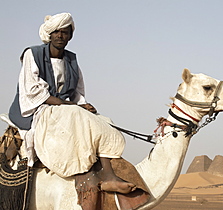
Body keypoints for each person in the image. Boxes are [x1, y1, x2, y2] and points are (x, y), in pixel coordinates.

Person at [8, 13, 136, 194]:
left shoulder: (72, 60)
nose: (61, 36)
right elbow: (33, 92)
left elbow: (77, 93)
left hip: (63, 108)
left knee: (103, 121)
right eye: (57, 32)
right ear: (50, 34)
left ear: (70, 36)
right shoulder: (32, 54)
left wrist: (85, 106)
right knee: (76, 115)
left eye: (65, 32)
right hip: (35, 107)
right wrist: (73, 106)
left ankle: (108, 175)